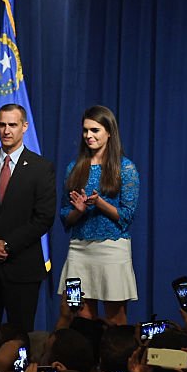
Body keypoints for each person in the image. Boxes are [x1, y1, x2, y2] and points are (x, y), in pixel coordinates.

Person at [0, 104, 56, 342]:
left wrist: (7, 245)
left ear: (24, 127)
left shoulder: (41, 168)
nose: (6, 130)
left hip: (22, 269)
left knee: (19, 340)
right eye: (2, 124)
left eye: (12, 125)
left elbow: (43, 217)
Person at [58, 105, 139, 326]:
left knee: (115, 320)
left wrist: (100, 203)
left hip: (112, 249)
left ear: (109, 132)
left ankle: (115, 360)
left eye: (95, 130)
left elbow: (127, 216)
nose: (88, 136)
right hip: (80, 249)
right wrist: (78, 211)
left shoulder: (125, 168)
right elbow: (65, 216)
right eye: (85, 130)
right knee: (82, 319)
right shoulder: (74, 168)